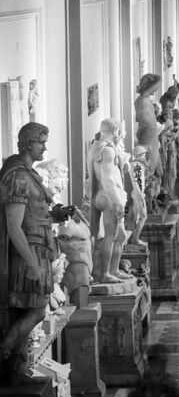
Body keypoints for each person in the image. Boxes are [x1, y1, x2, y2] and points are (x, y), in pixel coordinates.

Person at [0, 122, 75, 382]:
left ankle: (16, 369)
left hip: (39, 248)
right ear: (28, 143)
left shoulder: (29, 174)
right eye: (41, 142)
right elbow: (14, 225)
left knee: (28, 309)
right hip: (26, 253)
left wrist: (56, 214)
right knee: (36, 309)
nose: (44, 147)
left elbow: (33, 215)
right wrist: (31, 262)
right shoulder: (19, 177)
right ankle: (4, 351)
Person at [88, 118, 129, 283]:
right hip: (109, 196)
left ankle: (113, 270)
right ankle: (105, 273)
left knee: (119, 236)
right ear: (116, 131)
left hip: (98, 195)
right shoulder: (108, 150)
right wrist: (118, 201)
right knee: (111, 236)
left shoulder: (95, 147)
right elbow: (107, 178)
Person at [135, 73, 163, 180]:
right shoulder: (142, 101)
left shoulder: (146, 100)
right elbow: (145, 123)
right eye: (155, 87)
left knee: (159, 172)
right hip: (148, 139)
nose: (155, 90)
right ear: (149, 86)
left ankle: (157, 188)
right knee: (150, 171)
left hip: (152, 138)